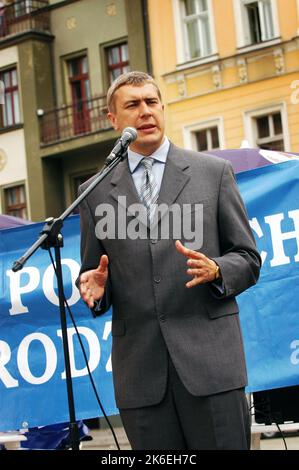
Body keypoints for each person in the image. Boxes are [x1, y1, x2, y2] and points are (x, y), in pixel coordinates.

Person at [77, 71, 261, 450]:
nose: (145, 111)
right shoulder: (93, 193)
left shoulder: (213, 174)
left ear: (162, 107)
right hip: (142, 377)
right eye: (133, 105)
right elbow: (96, 275)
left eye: (152, 102)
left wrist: (217, 270)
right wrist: (96, 290)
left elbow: (248, 257)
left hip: (211, 368)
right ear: (113, 119)